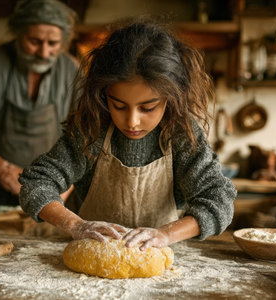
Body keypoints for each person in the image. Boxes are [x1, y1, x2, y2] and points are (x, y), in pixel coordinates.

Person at [19, 21, 237, 250]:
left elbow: (218, 200)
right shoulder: (91, 130)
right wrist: (76, 225)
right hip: (91, 259)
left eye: (148, 108)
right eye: (119, 106)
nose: (132, 121)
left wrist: (164, 235)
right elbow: (36, 183)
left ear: (171, 98)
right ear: (104, 95)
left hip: (164, 262)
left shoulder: (181, 134)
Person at [0, 0, 78, 206]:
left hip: (53, 190)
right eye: (35, 41)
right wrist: (2, 169)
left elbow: (85, 137)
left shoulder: (72, 72)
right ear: (19, 33)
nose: (44, 52)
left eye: (53, 44)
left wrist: (69, 182)